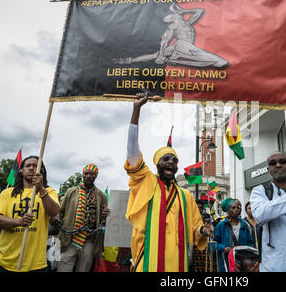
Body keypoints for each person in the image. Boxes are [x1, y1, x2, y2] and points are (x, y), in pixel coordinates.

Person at [125, 92, 213, 272]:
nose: (170, 163)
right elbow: (132, 152)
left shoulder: (185, 195)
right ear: (157, 163)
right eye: (165, 159)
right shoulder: (146, 181)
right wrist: (136, 111)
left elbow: (195, 227)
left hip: (177, 263)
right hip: (148, 259)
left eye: (174, 160)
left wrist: (203, 231)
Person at [0, 156, 60, 272]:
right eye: (28, 166)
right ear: (21, 171)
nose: (32, 168)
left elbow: (54, 212)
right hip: (5, 261)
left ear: (41, 171)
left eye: (36, 166)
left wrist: (41, 188)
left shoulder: (49, 192)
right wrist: (19, 221)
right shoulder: (8, 193)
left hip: (36, 264)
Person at [114, 3, 228, 68]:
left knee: (156, 54)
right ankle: (130, 61)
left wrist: (184, 11)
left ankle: (129, 61)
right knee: (218, 61)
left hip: (186, 48)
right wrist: (161, 56)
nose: (177, 14)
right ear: (174, 16)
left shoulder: (188, 23)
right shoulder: (173, 26)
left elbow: (200, 11)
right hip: (181, 45)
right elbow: (164, 40)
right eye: (176, 12)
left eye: (178, 12)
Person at [57, 164, 109, 272]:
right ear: (82, 175)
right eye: (86, 173)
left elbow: (103, 221)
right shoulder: (71, 191)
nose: (88, 176)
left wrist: (105, 216)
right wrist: (56, 219)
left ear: (96, 176)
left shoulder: (102, 196)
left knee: (84, 268)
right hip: (69, 238)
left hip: (89, 240)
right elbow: (60, 211)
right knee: (64, 268)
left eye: (92, 174)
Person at [214, 198, 254, 272]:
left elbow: (250, 242)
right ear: (227, 210)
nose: (236, 209)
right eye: (233, 208)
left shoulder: (245, 225)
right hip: (226, 261)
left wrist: (247, 252)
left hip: (243, 261)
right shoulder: (221, 225)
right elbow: (213, 244)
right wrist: (224, 248)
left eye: (238, 207)